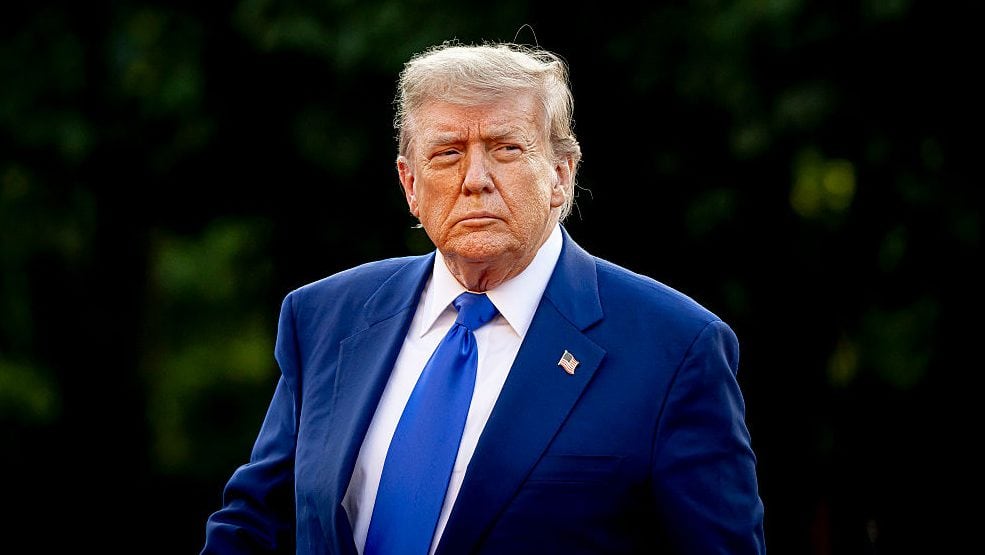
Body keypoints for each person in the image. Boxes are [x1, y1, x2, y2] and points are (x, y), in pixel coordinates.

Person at [202, 41, 766, 554]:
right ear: (409, 184)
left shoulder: (675, 349)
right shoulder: (327, 318)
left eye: (506, 149)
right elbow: (254, 527)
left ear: (560, 176)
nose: (475, 178)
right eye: (447, 153)